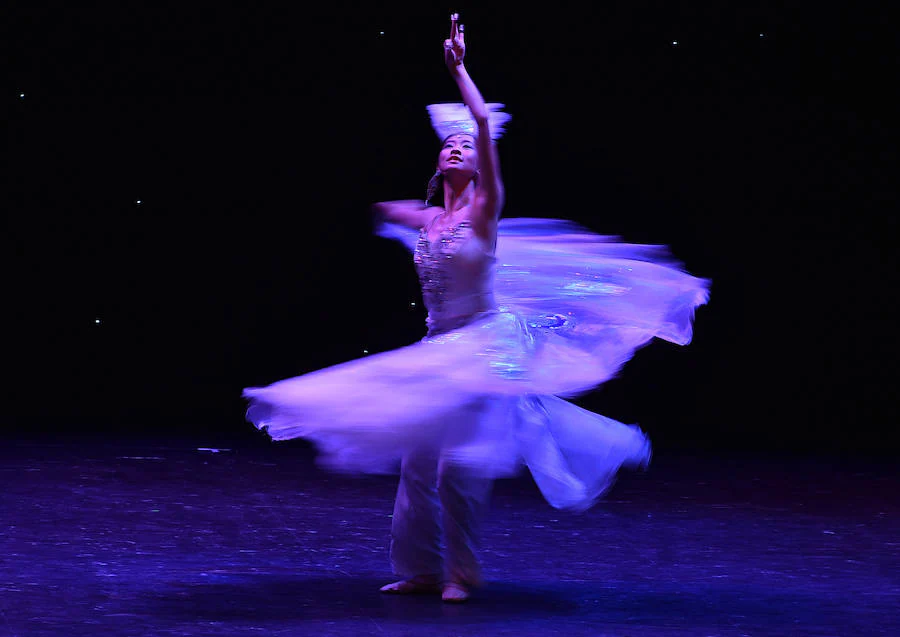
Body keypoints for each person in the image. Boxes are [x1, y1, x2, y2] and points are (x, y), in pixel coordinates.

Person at [243, 13, 710, 604]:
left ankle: (462, 574)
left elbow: (485, 122)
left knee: (456, 468)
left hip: (485, 346)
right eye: (450, 145)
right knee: (418, 462)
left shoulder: (483, 211)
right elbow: (384, 208)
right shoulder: (428, 217)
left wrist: (459, 70)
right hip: (440, 346)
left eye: (466, 146)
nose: (460, 147)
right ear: (439, 164)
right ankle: (419, 569)